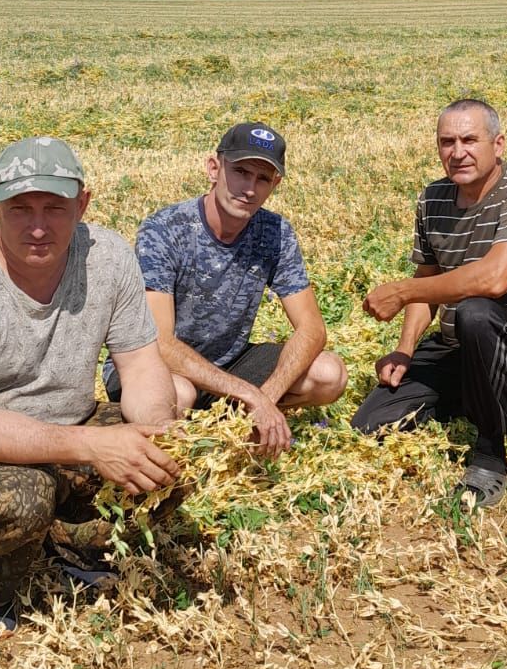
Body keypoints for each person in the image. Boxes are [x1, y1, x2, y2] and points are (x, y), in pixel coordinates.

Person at [0, 137, 180, 637]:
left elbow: (143, 369)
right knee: (20, 499)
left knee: (175, 456)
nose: (39, 227)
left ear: (82, 203)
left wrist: (156, 434)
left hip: (63, 428)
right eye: (20, 209)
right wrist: (94, 446)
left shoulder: (108, 256)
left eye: (55, 208)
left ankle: (62, 542)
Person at [351, 99, 507, 509]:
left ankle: (490, 453)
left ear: (498, 144)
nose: (457, 151)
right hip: (459, 344)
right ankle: (484, 399)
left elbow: (494, 278)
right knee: (372, 423)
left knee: (475, 310)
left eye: (470, 139)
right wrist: (405, 349)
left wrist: (401, 292)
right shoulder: (433, 199)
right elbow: (427, 280)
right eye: (447, 141)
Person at [107, 123, 346, 452]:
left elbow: (312, 329)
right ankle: (190, 443)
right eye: (241, 172)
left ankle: (230, 427)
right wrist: (249, 394)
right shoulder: (165, 229)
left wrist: (268, 397)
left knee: (329, 374)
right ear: (214, 168)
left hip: (229, 363)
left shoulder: (275, 232)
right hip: (156, 366)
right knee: (180, 394)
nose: (249, 188)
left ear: (275, 184)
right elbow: (158, 341)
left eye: (262, 179)